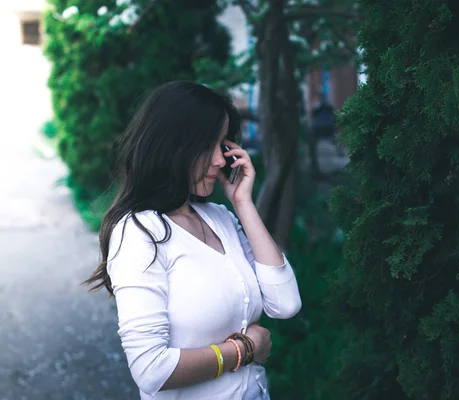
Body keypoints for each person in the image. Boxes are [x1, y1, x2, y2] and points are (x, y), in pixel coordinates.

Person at [83, 81, 302, 399]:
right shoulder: (141, 233)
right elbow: (151, 370)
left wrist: (243, 203)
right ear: (173, 146)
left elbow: (285, 304)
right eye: (208, 146)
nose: (220, 160)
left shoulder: (221, 218)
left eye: (223, 145)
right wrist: (245, 348)